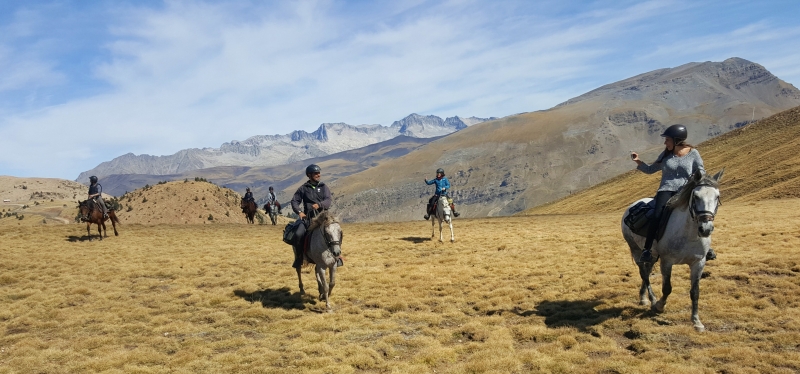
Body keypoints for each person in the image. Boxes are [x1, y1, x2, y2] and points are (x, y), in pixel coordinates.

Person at [632, 124, 715, 263]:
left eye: (667, 140)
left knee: (701, 213)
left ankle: (706, 248)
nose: (665, 142)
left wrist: (697, 178)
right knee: (657, 215)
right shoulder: (665, 155)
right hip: (666, 190)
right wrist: (638, 161)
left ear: (677, 140)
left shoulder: (693, 153)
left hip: (686, 190)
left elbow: (701, 170)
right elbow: (651, 169)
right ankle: (647, 250)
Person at [290, 164, 333, 269]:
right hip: (309, 219)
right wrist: (299, 212)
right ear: (309, 175)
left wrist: (320, 205)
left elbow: (328, 200)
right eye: (316, 173)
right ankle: (299, 258)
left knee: (335, 232)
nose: (318, 175)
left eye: (319, 173)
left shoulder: (323, 187)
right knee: (298, 234)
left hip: (323, 217)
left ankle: (336, 256)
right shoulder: (303, 188)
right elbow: (294, 201)